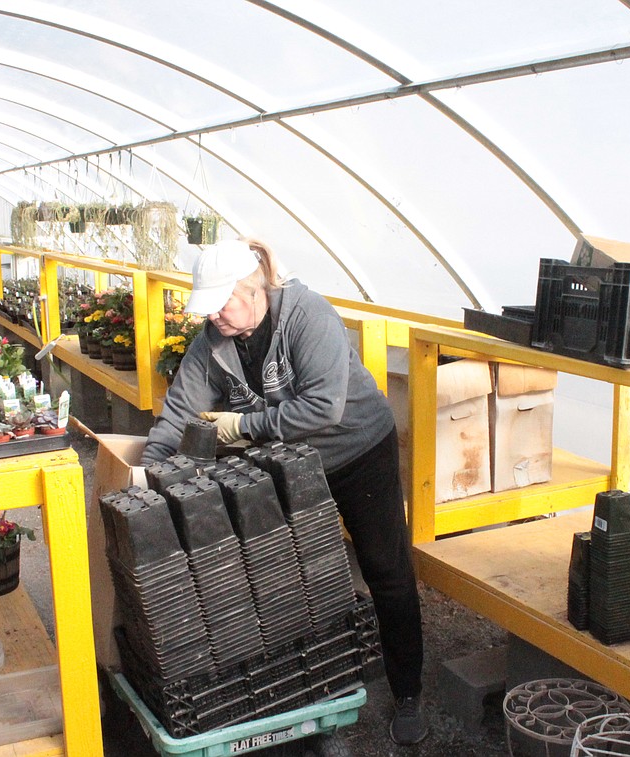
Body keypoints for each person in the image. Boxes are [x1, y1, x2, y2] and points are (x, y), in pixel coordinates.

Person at [141, 237, 428, 745]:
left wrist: (243, 426)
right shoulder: (214, 342)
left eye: (221, 305)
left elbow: (324, 408)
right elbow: (180, 413)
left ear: (252, 290)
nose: (215, 319)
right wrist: (145, 476)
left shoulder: (307, 316)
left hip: (358, 449)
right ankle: (310, 686)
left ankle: (408, 691)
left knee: (386, 570)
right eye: (208, 310)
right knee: (290, 570)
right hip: (291, 462)